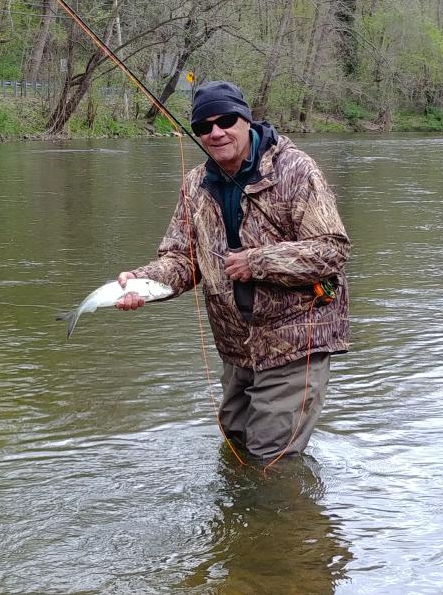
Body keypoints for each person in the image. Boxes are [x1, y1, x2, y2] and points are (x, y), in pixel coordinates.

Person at [116, 81, 349, 461]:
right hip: (235, 345)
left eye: (226, 120)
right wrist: (144, 283)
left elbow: (331, 250)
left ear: (246, 120)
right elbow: (182, 258)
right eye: (204, 127)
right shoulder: (196, 184)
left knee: (269, 457)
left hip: (295, 340)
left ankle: (287, 520)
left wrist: (258, 261)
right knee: (236, 443)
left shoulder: (296, 171)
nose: (216, 132)